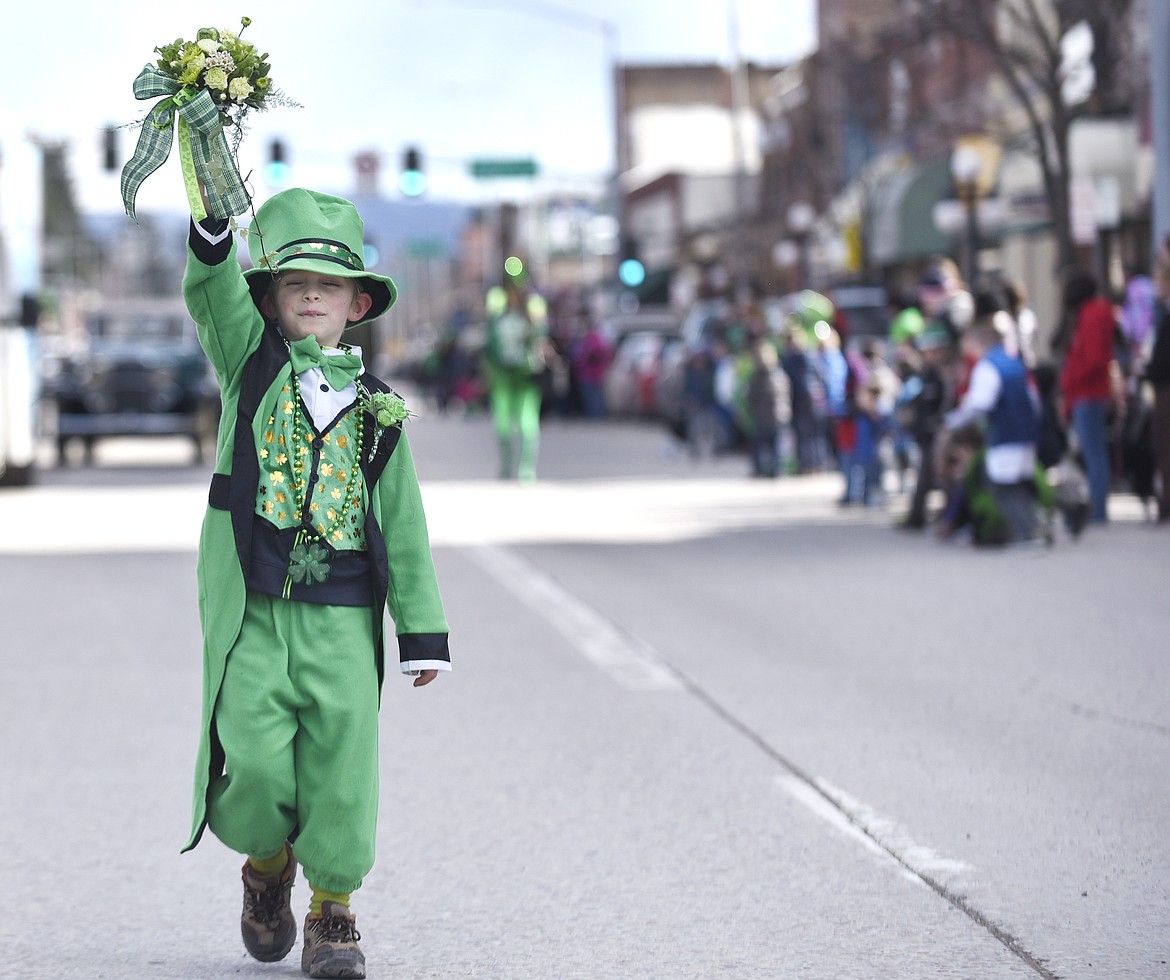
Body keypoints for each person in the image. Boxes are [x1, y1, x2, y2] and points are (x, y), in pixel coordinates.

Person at [182, 186, 451, 979]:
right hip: (257, 615)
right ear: (267, 298)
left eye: (329, 285)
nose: (310, 294)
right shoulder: (248, 365)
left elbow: (404, 530)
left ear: (356, 303)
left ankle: (334, 915)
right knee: (256, 767)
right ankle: (267, 867)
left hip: (340, 619)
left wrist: (421, 634)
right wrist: (211, 226)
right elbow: (212, 291)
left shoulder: (380, 415)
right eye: (294, 281)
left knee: (342, 771)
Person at [936, 297, 1046, 544]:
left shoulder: (988, 366)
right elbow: (1033, 398)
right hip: (1025, 431)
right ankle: (1037, 522)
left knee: (1001, 486)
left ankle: (1030, 531)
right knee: (1022, 483)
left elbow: (980, 403)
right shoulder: (1014, 362)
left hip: (1005, 433)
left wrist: (954, 420)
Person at [1058, 269, 1118, 524]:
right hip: (1088, 392)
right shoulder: (1092, 314)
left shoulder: (1092, 315)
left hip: (1088, 393)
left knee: (1094, 453)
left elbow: (1093, 359)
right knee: (1094, 452)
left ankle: (1098, 510)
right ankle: (1096, 507)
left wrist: (1071, 380)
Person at [483, 280, 549, 480]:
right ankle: (505, 465)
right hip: (502, 378)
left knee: (527, 424)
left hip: (526, 377)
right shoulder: (496, 319)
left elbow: (541, 339)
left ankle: (526, 468)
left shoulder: (533, 318)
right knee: (502, 425)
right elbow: (490, 347)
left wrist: (536, 326)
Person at [1145, 238, 1170, 522]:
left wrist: (1151, 370)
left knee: (1165, 446)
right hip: (1161, 382)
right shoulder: (1161, 311)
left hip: (1165, 383)